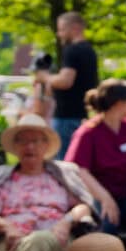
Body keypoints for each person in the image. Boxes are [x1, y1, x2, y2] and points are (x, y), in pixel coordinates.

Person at [0, 113, 97, 251]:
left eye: (35, 141)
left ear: (45, 146)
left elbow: (83, 207)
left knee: (40, 240)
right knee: (36, 242)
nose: (29, 147)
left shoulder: (59, 177)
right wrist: (6, 226)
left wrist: (66, 221)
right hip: (14, 245)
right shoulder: (5, 180)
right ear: (16, 147)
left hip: (58, 241)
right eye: (23, 142)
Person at [66, 79, 126, 229]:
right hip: (99, 194)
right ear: (119, 103)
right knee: (106, 224)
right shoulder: (88, 133)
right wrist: (105, 198)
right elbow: (79, 169)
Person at [34, 12, 98, 157]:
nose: (59, 34)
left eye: (62, 29)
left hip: (66, 117)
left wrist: (45, 77)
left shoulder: (72, 50)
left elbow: (65, 82)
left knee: (63, 164)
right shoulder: (89, 51)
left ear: (75, 28)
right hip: (81, 114)